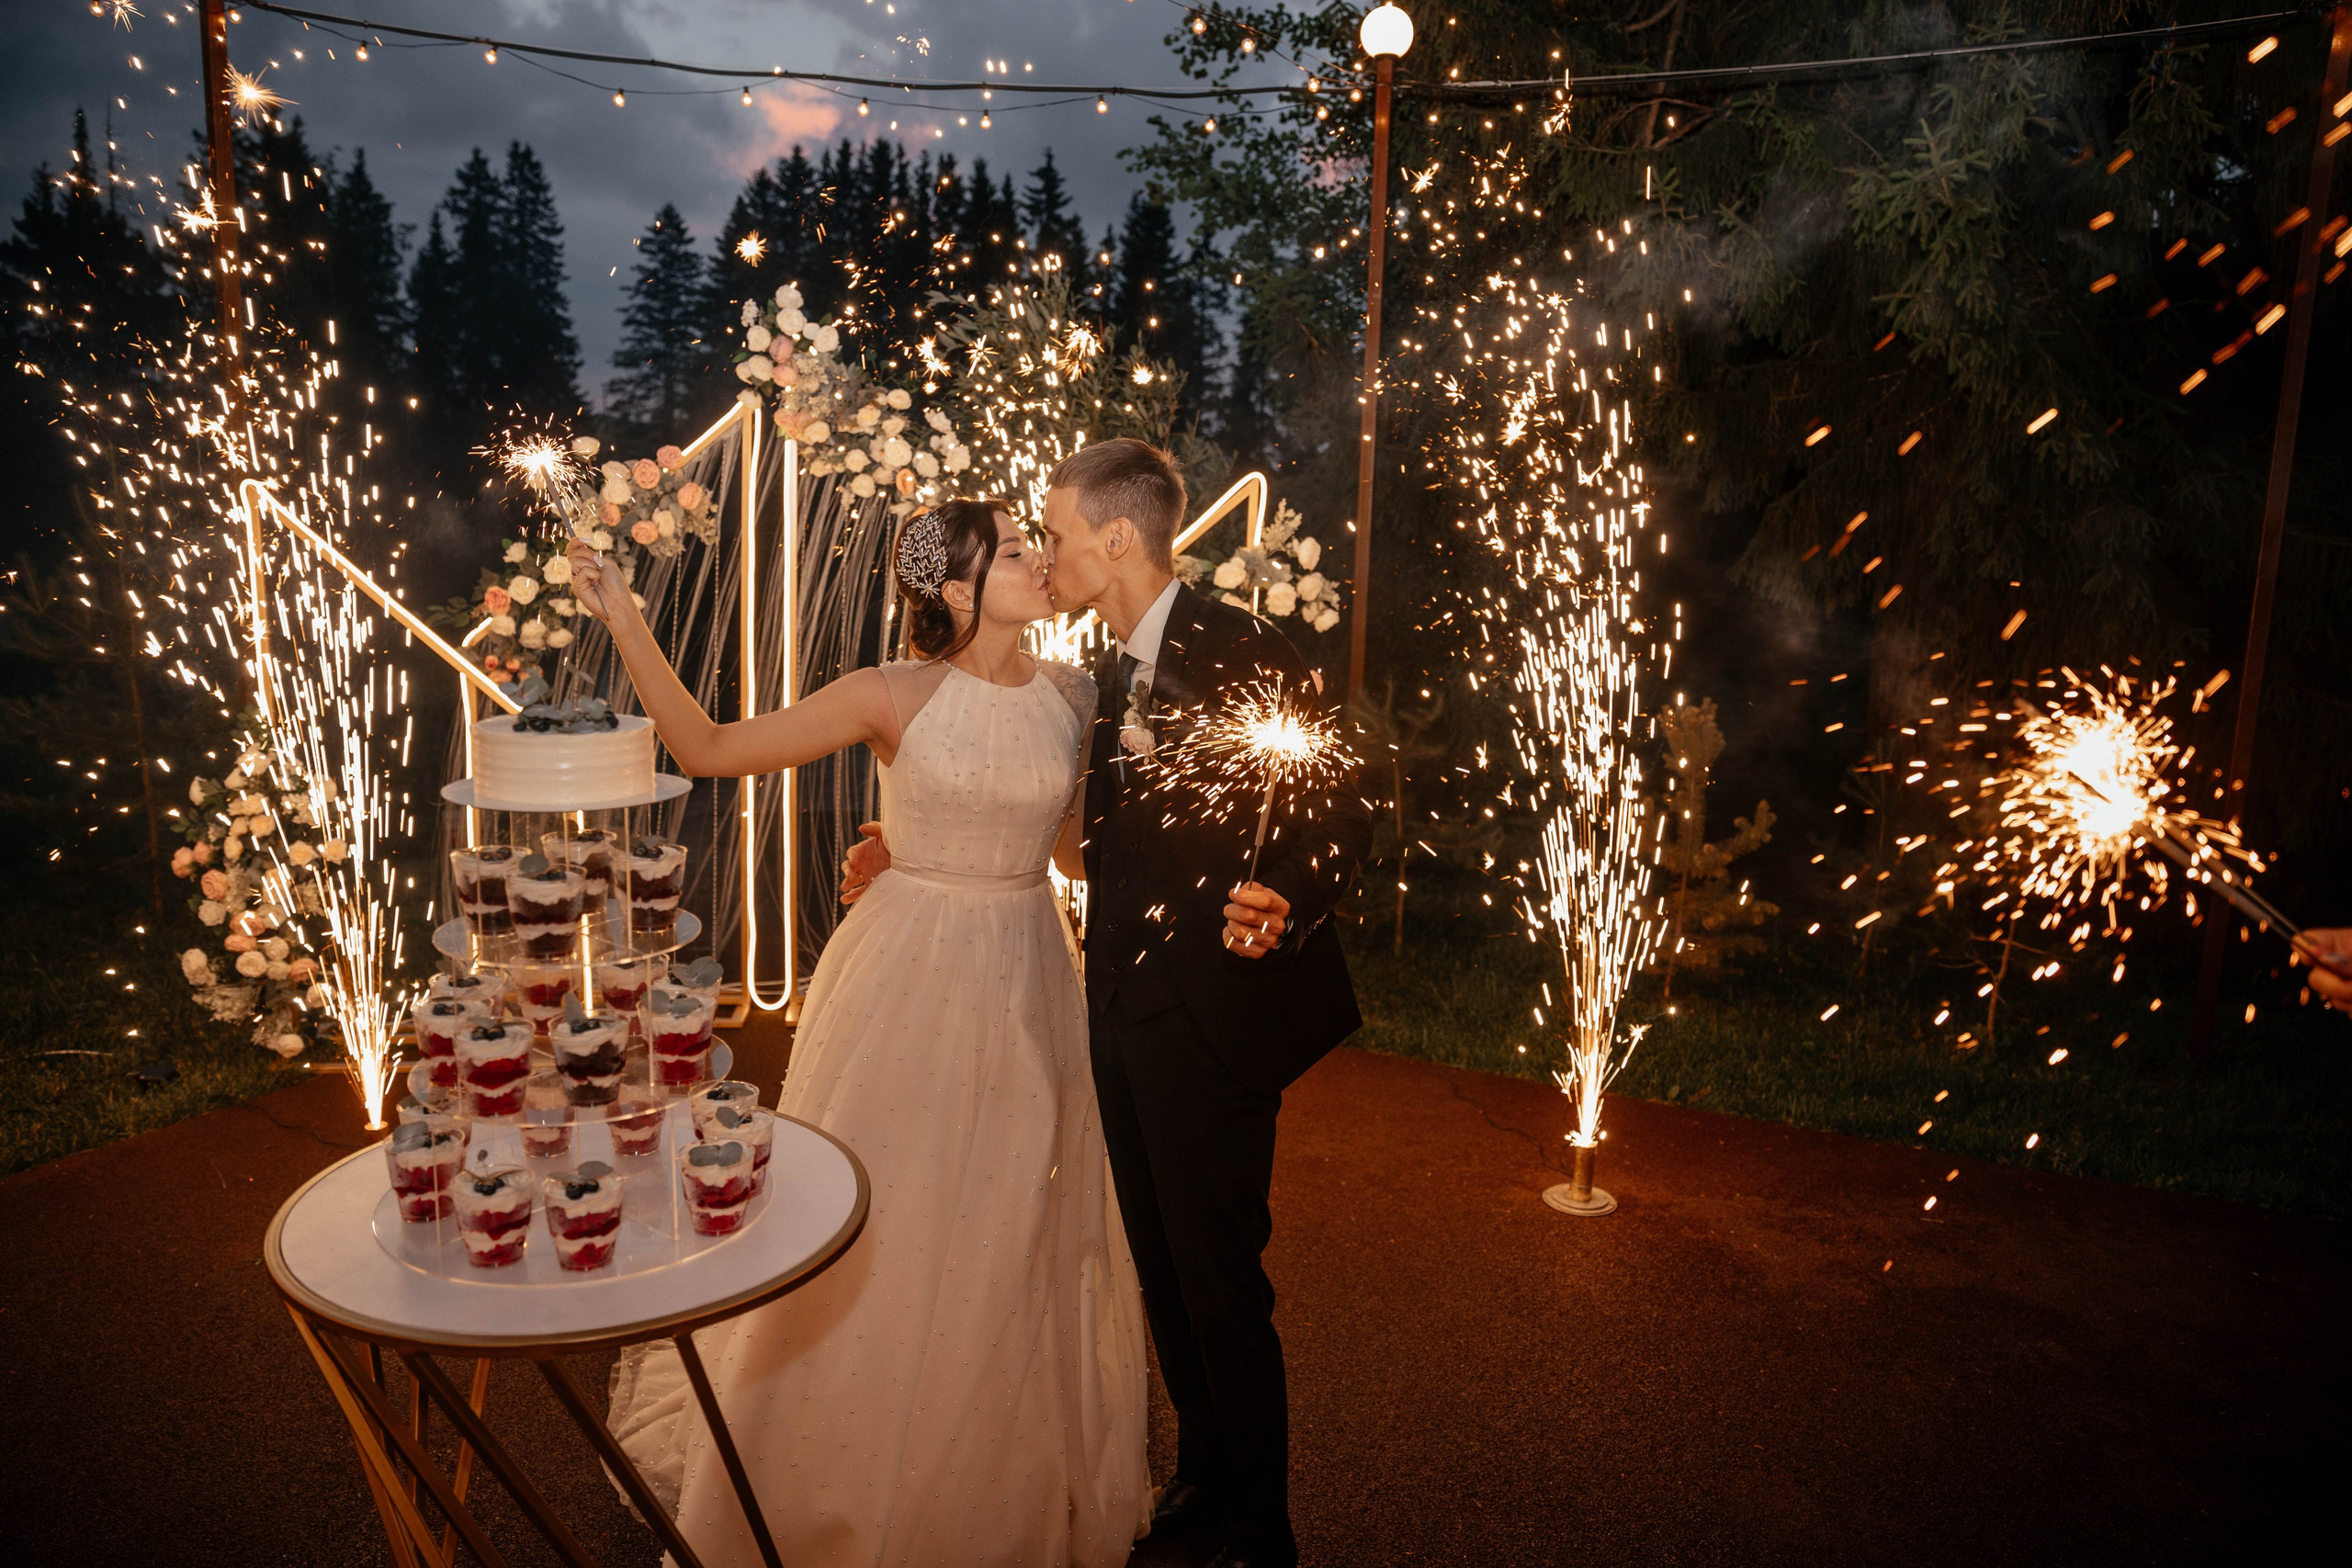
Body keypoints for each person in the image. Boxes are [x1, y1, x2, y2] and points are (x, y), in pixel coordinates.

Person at [567, 500, 1150, 1566]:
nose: (1039, 561)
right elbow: (706, 748)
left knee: (1015, 1210)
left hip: (1031, 965)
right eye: (1015, 551)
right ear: (959, 590)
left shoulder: (1074, 694)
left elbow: (1071, 852)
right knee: (887, 1207)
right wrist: (627, 622)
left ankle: (988, 1465)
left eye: (1034, 543)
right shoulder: (888, 692)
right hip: (908, 976)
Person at [846, 440, 1374, 1568]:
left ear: (1118, 538)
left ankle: (1260, 1532)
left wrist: (1287, 893)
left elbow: (1341, 801)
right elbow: (1089, 839)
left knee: (1221, 1283)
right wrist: (913, 845)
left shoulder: (1241, 647)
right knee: (1162, 1272)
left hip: (1215, 1021)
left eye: (1057, 533)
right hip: (1119, 1018)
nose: (1046, 554)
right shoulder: (1105, 676)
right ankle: (1203, 1481)